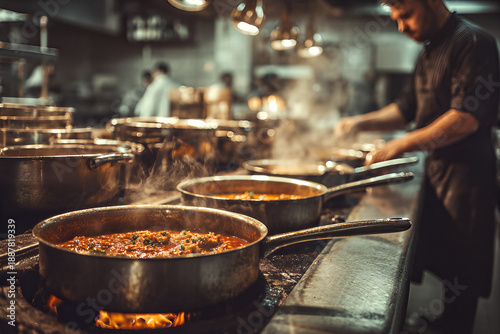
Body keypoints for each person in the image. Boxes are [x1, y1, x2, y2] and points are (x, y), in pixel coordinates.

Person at [334, 0, 499, 333]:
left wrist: (399, 144)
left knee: (463, 267)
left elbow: (465, 118)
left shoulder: (473, 42)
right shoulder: (427, 52)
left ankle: (456, 326)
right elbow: (405, 109)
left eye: (406, 15)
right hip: (439, 171)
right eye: (395, 18)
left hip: (467, 179)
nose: (401, 27)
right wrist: (356, 123)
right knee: (447, 260)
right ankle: (443, 321)